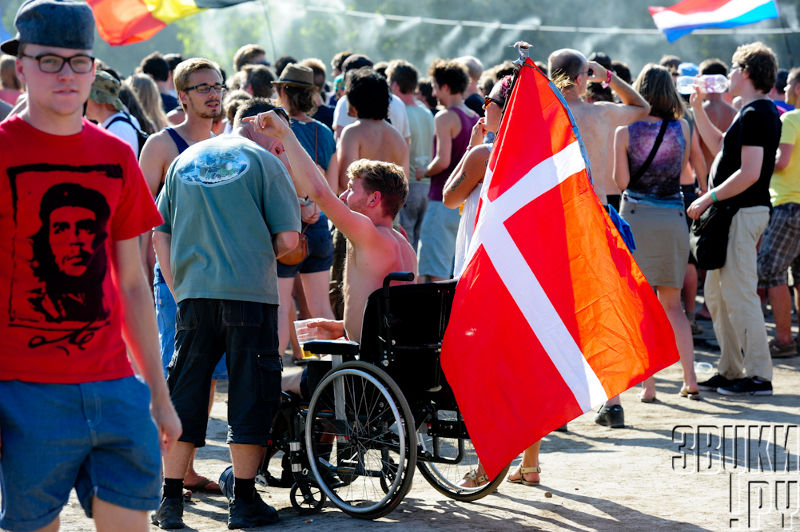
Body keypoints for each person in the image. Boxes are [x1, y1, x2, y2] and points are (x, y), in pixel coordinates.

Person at [0, 2, 181, 531]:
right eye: (49, 61)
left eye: (79, 62)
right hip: (22, 392)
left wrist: (158, 396)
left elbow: (131, 283)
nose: (67, 74)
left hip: (115, 388)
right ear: (22, 66)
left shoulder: (117, 154)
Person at [151, 103, 300, 530]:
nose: (281, 145)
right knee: (251, 391)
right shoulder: (265, 161)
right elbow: (289, 239)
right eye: (280, 137)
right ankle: (245, 503)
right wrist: (254, 256)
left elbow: (159, 229)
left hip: (194, 295)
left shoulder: (184, 159)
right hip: (248, 296)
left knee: (187, 392)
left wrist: (179, 284)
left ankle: (170, 502)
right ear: (261, 125)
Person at [138, 57, 228, 497]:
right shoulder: (161, 144)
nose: (214, 93)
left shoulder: (227, 144)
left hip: (220, 279)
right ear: (183, 95)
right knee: (176, 373)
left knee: (206, 373)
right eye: (203, 87)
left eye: (218, 85)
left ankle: (185, 467)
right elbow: (135, 221)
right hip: (175, 278)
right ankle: (161, 472)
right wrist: (137, 280)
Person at [547, 48, 650, 428]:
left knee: (557, 310)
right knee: (601, 310)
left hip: (560, 218)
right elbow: (641, 106)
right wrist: (607, 77)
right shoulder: (602, 112)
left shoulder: (547, 115)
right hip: (599, 215)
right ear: (581, 78)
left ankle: (560, 404)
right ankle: (614, 400)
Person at [251, 109, 417, 343]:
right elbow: (391, 315)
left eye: (351, 188)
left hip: (369, 360)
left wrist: (285, 134)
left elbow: (319, 193)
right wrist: (341, 327)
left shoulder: (369, 234)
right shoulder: (404, 244)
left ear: (373, 199)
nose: (342, 196)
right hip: (392, 354)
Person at [687, 42, 782, 396]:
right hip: (731, 215)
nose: (727, 74)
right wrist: (697, 108)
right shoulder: (751, 111)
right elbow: (719, 145)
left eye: (732, 68)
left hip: (741, 213)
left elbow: (751, 172)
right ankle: (729, 370)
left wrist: (708, 197)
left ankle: (759, 375)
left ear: (744, 73)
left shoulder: (758, 113)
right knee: (717, 294)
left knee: (740, 295)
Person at [613, 64, 699, 401]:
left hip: (636, 217)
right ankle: (690, 379)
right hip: (673, 217)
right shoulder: (682, 128)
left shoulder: (624, 132)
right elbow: (682, 173)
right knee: (673, 306)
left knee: (640, 305)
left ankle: (648, 385)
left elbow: (621, 182)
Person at [272, 64, 337, 360]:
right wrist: (313, 206)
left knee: (282, 304)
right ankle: (328, 373)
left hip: (287, 226)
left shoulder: (276, 132)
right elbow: (332, 188)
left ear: (282, 91)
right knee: (320, 308)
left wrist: (299, 206)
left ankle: (271, 379)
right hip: (320, 226)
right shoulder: (323, 132)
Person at [417, 58, 480, 282]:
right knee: (456, 271)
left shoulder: (445, 117)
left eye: (435, 87)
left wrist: (422, 172)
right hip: (466, 202)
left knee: (435, 273)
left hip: (442, 201)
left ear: (445, 87)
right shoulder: (474, 117)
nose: (434, 94)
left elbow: (442, 161)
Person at [756, 66, 800, 359]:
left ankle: (784, 340)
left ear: (797, 89)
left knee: (771, 272)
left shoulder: (791, 119)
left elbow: (782, 162)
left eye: (787, 87)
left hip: (787, 205)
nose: (783, 92)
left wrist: (756, 166)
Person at [388, 59, 435, 249]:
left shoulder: (399, 112)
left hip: (409, 183)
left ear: (396, 85)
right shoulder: (427, 113)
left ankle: (409, 280)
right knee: (419, 244)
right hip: (428, 185)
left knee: (406, 244)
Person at [85, 70, 142, 156]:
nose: (82, 102)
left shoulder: (118, 130)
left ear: (100, 99)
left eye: (86, 97)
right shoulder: (112, 124)